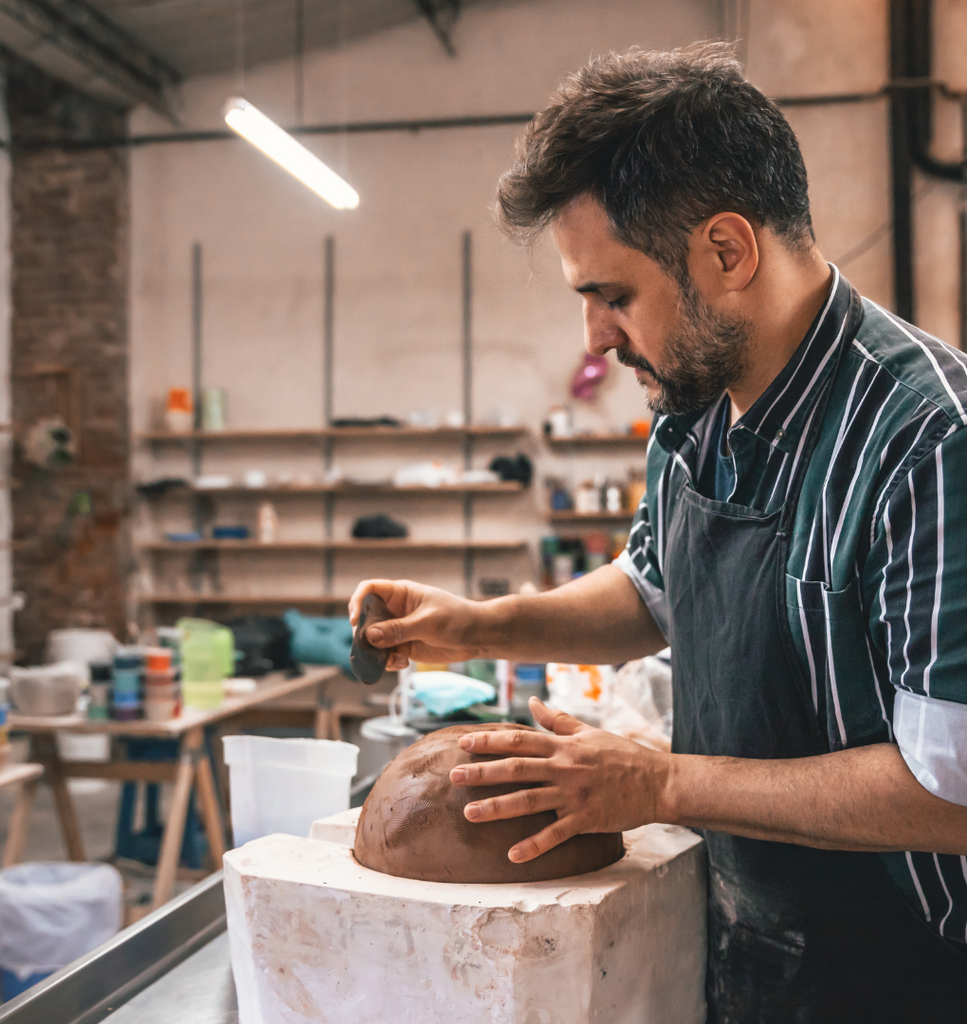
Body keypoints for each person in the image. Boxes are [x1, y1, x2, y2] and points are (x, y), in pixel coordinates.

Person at [349, 44, 967, 1022]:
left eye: (613, 294)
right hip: (738, 939)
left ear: (727, 250)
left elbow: (951, 791)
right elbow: (653, 589)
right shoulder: (693, 407)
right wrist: (477, 624)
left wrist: (660, 781)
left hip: (901, 975)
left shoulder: (928, 440)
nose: (593, 338)